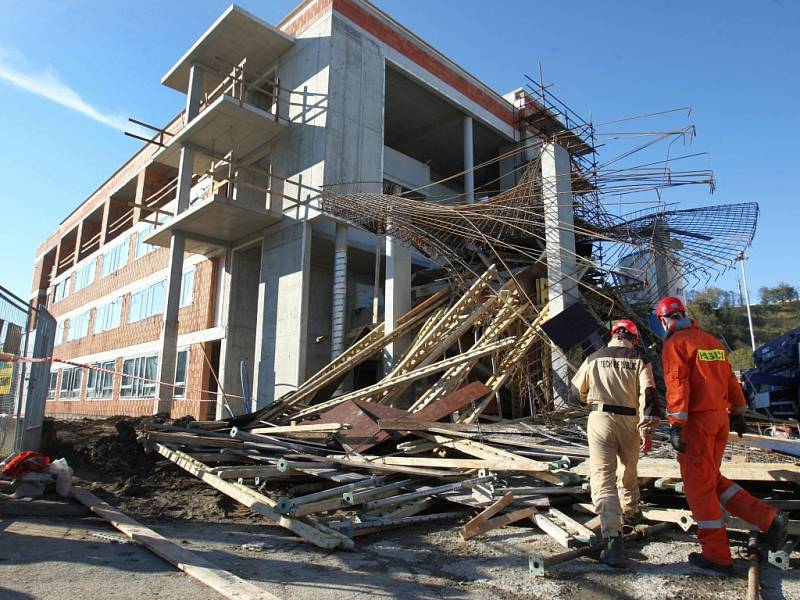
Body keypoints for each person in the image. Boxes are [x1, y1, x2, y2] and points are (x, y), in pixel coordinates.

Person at [656, 295, 788, 574]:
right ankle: (768, 518)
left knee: (698, 489)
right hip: (720, 420)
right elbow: (730, 379)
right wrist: (739, 412)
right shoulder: (712, 342)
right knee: (711, 479)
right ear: (685, 314)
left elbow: (678, 384)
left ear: (664, 320)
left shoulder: (675, 345)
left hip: (696, 423)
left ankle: (716, 555)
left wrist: (676, 425)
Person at [572, 319, 660, 567]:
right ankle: (630, 514)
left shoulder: (593, 358)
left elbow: (575, 392)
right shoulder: (640, 359)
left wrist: (591, 397)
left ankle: (613, 542)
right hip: (631, 421)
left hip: (600, 419)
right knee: (628, 470)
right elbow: (650, 394)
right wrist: (646, 430)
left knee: (603, 477)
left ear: (613, 335)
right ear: (633, 337)